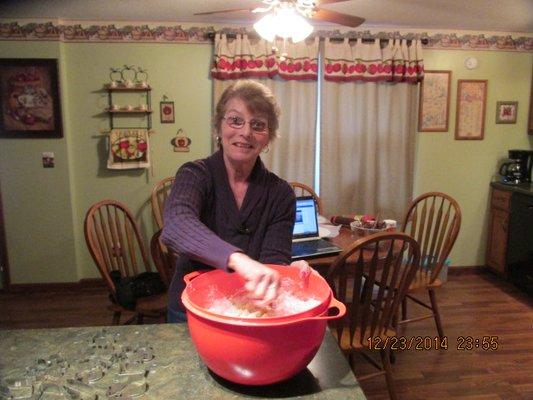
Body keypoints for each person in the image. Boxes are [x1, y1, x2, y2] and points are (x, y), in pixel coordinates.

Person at [161, 80, 310, 323]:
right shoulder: (194, 175)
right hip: (190, 310)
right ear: (218, 127)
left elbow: (273, 263)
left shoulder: (281, 194)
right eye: (235, 120)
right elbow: (177, 223)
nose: (246, 132)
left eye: (258, 125)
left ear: (268, 138)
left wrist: (288, 274)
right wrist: (240, 260)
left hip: (249, 312)